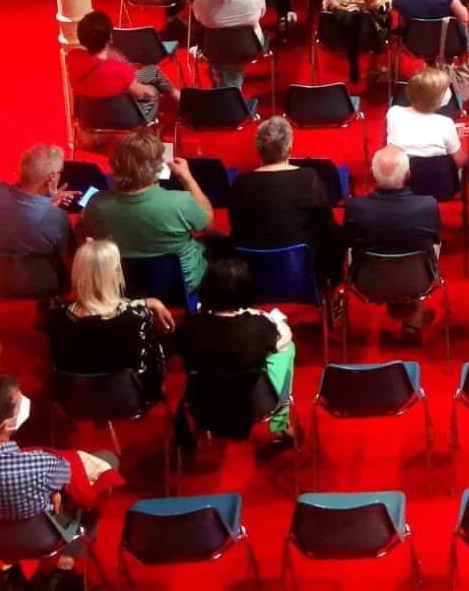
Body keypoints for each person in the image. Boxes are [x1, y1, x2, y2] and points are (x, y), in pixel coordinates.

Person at [0, 373, 113, 547]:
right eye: (20, 402)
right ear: (6, 426)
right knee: (106, 461)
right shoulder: (42, 464)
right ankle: (69, 557)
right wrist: (54, 492)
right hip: (38, 540)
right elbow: (65, 477)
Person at [174, 257, 296, 446]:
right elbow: (284, 338)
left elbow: (177, 348)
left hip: (201, 407)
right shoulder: (261, 326)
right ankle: (280, 421)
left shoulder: (190, 327)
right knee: (287, 349)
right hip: (253, 405)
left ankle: (199, 429)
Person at [81, 127, 218, 293]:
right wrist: (186, 177)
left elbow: (83, 236)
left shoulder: (96, 204)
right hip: (179, 288)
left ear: (115, 163)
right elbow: (208, 223)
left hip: (120, 288)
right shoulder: (180, 202)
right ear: (158, 165)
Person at [47, 239, 170, 405]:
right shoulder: (138, 319)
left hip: (74, 400)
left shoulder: (57, 316)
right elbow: (152, 368)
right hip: (127, 401)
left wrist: (148, 302)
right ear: (115, 273)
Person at [343, 147, 445, 341]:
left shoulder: (355, 207)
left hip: (367, 282)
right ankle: (411, 314)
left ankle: (408, 313)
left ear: (373, 174)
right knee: (428, 247)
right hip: (417, 280)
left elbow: (348, 243)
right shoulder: (427, 205)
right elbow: (436, 241)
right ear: (408, 175)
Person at [228, 116, 343, 288]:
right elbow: (325, 222)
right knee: (335, 232)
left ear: (258, 150)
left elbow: (235, 225)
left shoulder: (239, 183)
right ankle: (330, 285)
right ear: (289, 148)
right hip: (300, 271)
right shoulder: (309, 177)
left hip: (253, 273)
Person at [67, 9, 178, 126]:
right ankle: (174, 99)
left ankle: (173, 93)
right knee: (152, 91)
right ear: (110, 37)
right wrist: (152, 91)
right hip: (126, 118)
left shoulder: (73, 58)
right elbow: (142, 94)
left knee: (152, 72)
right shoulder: (120, 70)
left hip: (89, 117)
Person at [0, 143, 73, 258]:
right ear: (52, 177)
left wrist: (48, 200)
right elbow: (68, 256)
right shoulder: (56, 216)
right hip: (41, 270)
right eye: (60, 171)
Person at [386, 64, 468, 168]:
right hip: (435, 175)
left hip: (400, 173)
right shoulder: (445, 124)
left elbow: (416, 132)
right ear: (437, 99)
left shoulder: (394, 113)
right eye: (445, 89)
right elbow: (460, 161)